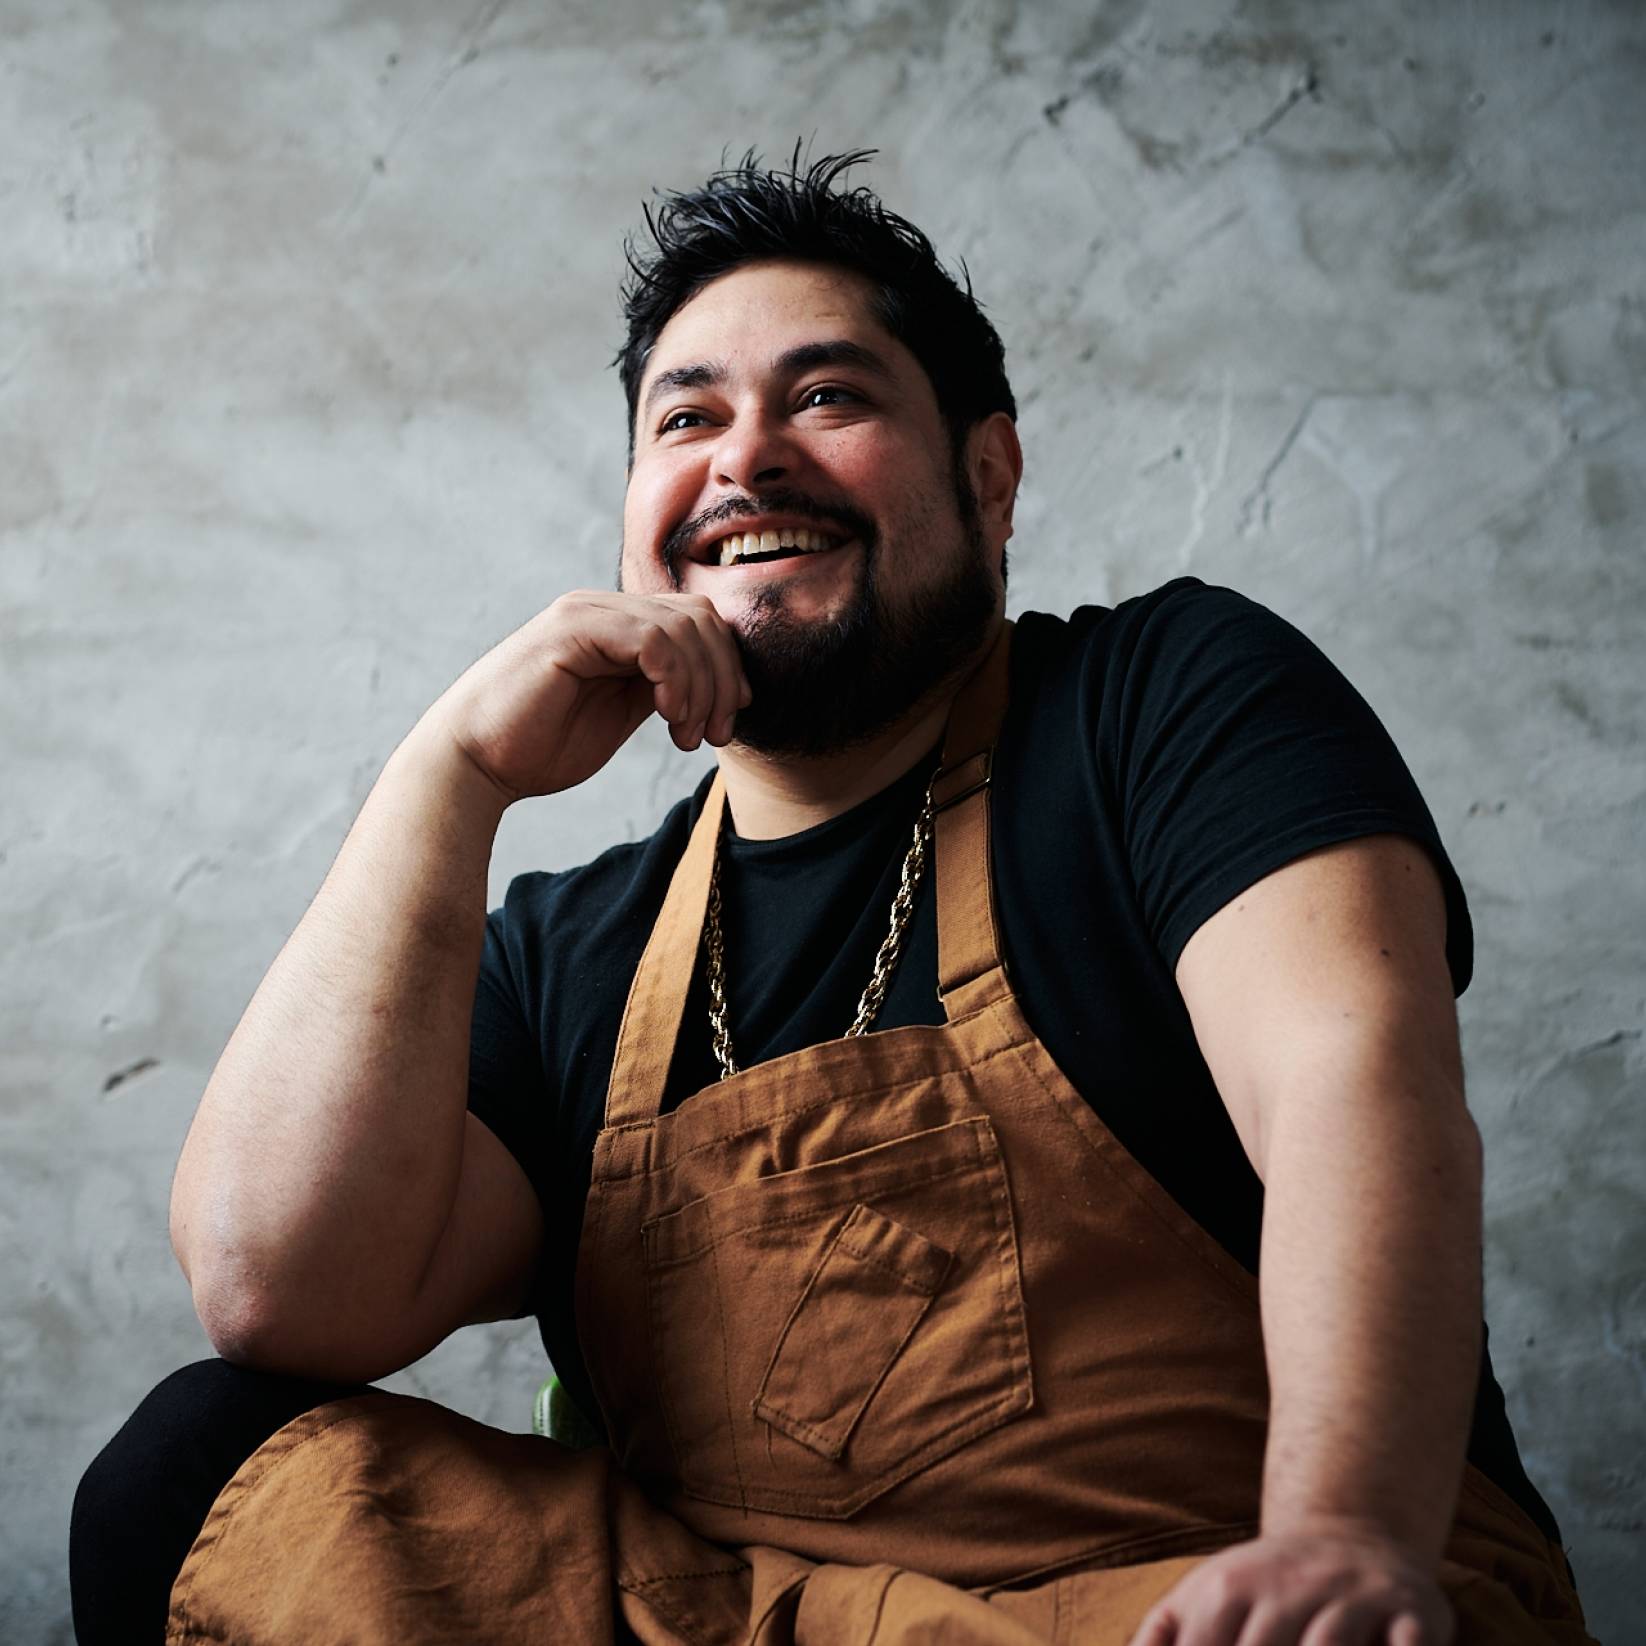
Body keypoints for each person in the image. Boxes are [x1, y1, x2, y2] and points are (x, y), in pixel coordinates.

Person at [73, 150, 1595, 1646]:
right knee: (206, 1468)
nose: (744, 459)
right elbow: (279, 1288)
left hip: (1190, 1603)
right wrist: (446, 775)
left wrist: (1343, 1530)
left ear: (986, 479)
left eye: (825, 395)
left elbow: (1356, 1086)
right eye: (688, 417)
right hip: (742, 1618)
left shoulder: (1160, 702)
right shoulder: (567, 948)